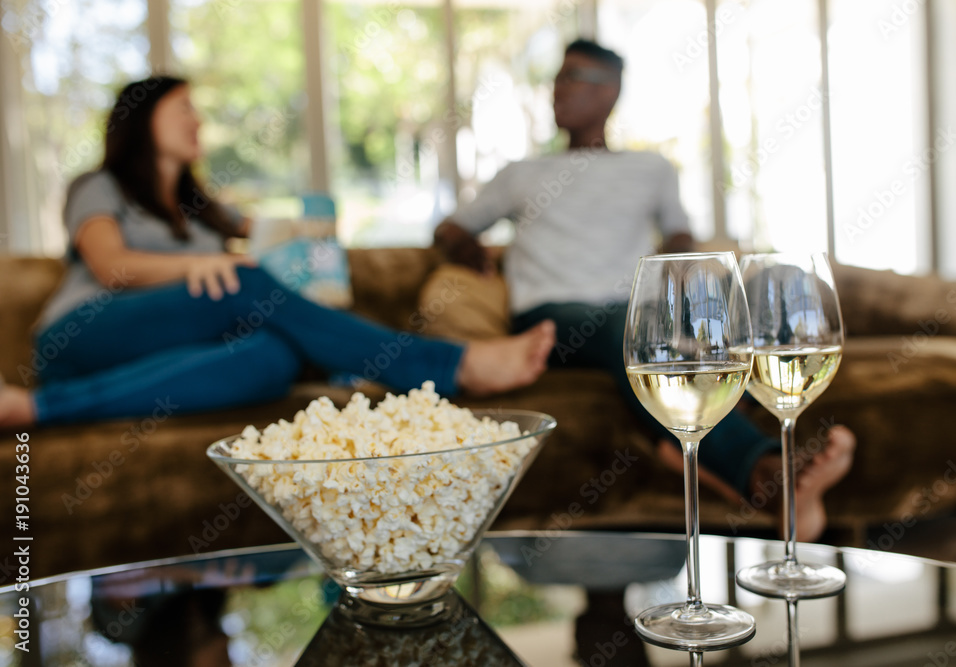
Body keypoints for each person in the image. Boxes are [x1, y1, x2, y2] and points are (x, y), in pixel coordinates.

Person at [434, 39, 855, 543]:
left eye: (575, 78)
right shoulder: (520, 174)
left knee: (765, 288)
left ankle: (695, 447)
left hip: (637, 309)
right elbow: (449, 229)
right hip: (554, 318)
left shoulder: (651, 169)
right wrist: (466, 248)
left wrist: (683, 265)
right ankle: (769, 473)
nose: (559, 89)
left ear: (610, 93)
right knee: (638, 335)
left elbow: (680, 233)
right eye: (558, 78)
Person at [0, 76, 556, 429]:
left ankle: (39, 409)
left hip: (170, 347)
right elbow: (111, 264)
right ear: (142, 120)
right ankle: (452, 364)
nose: (198, 121)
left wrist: (311, 242)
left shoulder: (205, 210)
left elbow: (293, 230)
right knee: (241, 281)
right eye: (184, 109)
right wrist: (205, 263)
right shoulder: (99, 185)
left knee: (273, 358)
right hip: (83, 334)